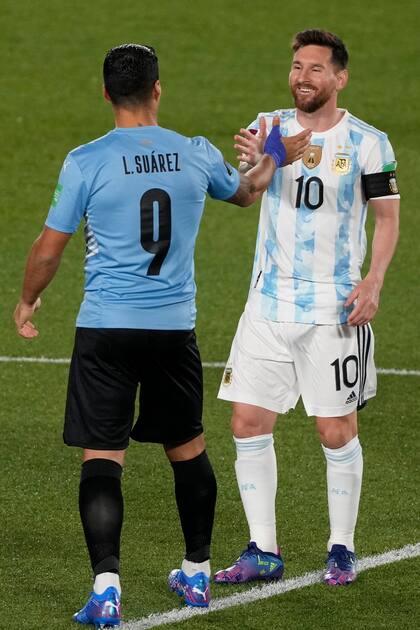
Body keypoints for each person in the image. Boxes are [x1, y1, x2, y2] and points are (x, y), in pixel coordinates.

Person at [14, 44, 310, 625]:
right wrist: (275, 152)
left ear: (105, 94)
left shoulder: (85, 161)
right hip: (173, 329)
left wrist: (27, 300)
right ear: (158, 89)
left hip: (106, 329)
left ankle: (106, 590)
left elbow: (49, 250)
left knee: (103, 455)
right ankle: (197, 574)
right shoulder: (194, 154)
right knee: (188, 447)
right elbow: (249, 190)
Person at [215, 29, 400, 587]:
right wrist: (267, 156)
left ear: (339, 78)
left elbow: (387, 216)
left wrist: (374, 281)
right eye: (297, 66)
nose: (303, 77)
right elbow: (245, 192)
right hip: (268, 304)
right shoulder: (268, 125)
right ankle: (262, 549)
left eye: (316, 68)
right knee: (247, 422)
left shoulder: (369, 142)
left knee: (335, 431)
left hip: (335, 309)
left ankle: (341, 547)